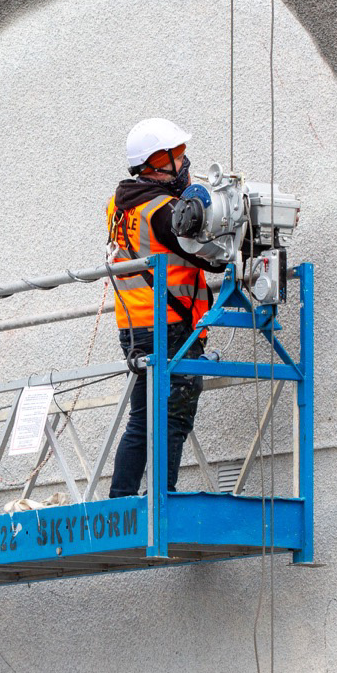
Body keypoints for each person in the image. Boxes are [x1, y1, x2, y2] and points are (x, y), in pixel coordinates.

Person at [106, 118, 226, 498]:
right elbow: (209, 258)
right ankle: (163, 499)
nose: (185, 163)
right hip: (170, 325)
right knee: (173, 415)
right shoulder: (162, 210)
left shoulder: (120, 204)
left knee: (142, 419)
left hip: (135, 325)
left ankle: (122, 500)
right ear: (158, 162)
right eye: (179, 157)